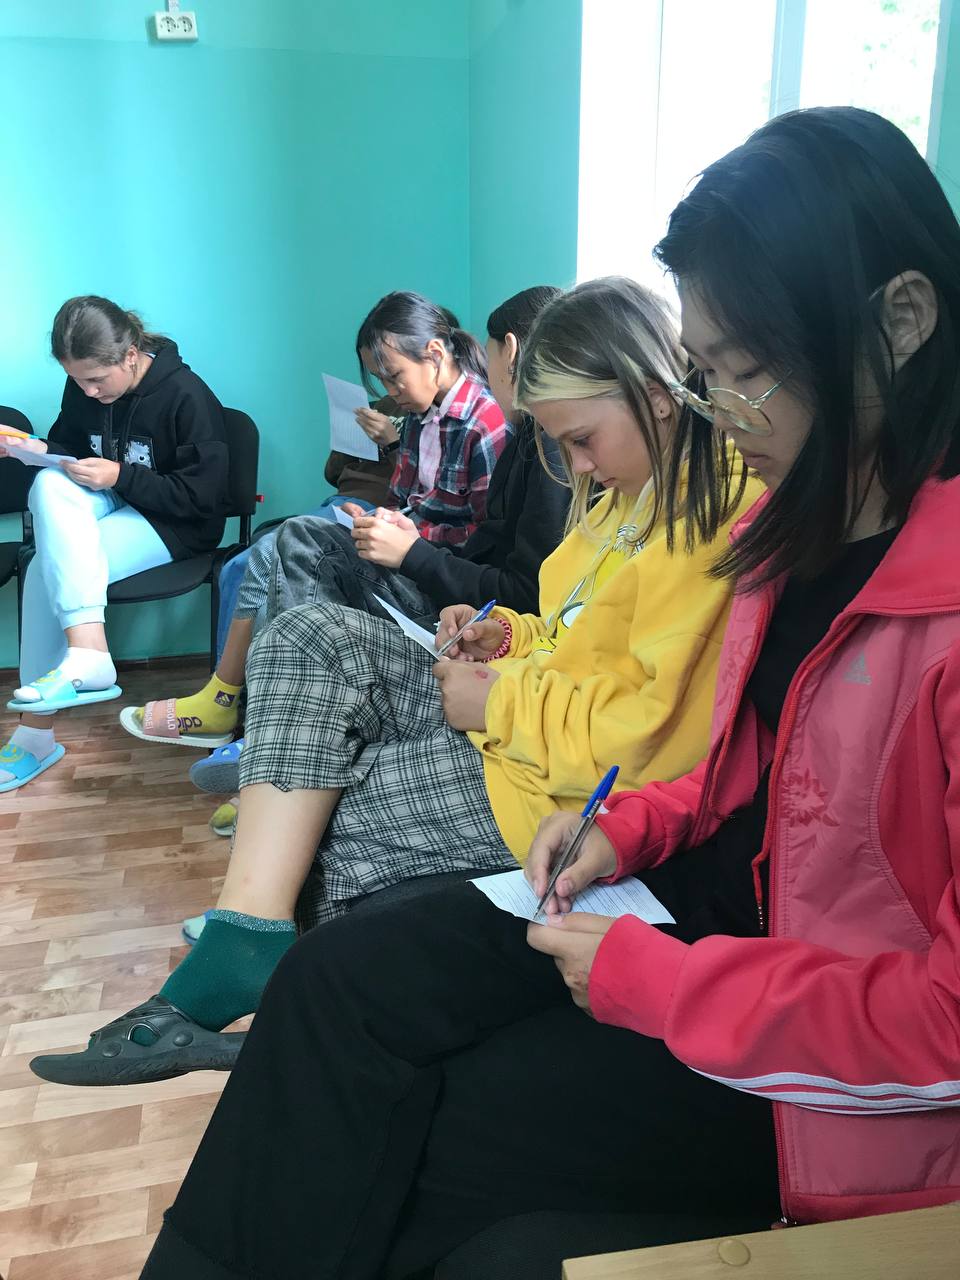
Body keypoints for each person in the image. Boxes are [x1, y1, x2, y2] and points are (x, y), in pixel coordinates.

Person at [120, 107, 960, 1279]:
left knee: (418, 1146)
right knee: (333, 989)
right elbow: (739, 773)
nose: (723, 417)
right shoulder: (793, 533)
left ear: (901, 322)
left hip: (801, 1059)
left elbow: (941, 1018)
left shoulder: (883, 575)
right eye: (707, 376)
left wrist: (663, 976)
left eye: (744, 374)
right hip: (674, 912)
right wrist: (628, 828)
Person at [32, 274, 762, 1085]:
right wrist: (506, 634)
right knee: (306, 634)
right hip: (523, 722)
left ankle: (280, 1002)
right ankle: (252, 936)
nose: (577, 465)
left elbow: (645, 735)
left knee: (330, 806)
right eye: (563, 446)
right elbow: (570, 625)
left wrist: (501, 698)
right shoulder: (627, 489)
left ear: (657, 398)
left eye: (582, 440)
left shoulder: (711, 522)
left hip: (567, 785)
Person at [120, 291, 512, 747]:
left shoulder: (483, 424)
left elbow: (482, 546)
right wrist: (385, 522)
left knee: (292, 545)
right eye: (381, 379)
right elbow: (404, 501)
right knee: (278, 545)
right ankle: (242, 710)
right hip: (410, 558)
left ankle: (252, 719)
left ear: (436, 354)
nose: (390, 391)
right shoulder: (423, 415)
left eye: (394, 376)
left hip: (442, 596)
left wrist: (410, 539)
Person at [0, 296, 228, 792]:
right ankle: (91, 653)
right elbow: (71, 450)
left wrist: (121, 476)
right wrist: (37, 450)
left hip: (174, 523)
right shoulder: (84, 386)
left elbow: (203, 498)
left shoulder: (187, 396)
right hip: (108, 500)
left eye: (96, 380)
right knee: (48, 484)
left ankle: (35, 735)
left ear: (130, 355)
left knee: (42, 571)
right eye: (78, 380)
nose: (88, 390)